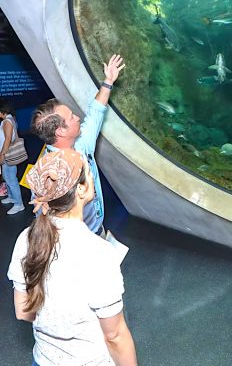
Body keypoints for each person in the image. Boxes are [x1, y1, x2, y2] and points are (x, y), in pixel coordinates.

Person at [7, 148, 137, 366]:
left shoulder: (26, 238)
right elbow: (114, 336)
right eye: (90, 173)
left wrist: (53, 321)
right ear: (81, 189)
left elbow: (23, 311)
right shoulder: (98, 252)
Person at [30, 54, 124, 235]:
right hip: (73, 241)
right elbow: (44, 223)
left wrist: (108, 81)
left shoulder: (81, 144)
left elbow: (95, 112)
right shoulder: (47, 174)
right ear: (60, 131)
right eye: (72, 117)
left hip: (97, 230)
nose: (78, 118)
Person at [0, 99, 25, 214]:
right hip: (7, 153)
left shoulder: (7, 121)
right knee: (7, 177)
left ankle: (19, 204)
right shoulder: (9, 119)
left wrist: (2, 155)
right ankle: (11, 197)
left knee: (11, 180)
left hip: (8, 154)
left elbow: (8, 140)